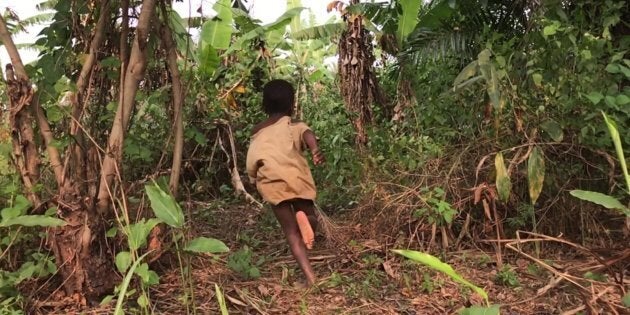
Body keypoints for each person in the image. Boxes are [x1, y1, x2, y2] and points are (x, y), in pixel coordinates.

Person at [246, 79, 324, 286]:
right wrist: (314, 150)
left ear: (264, 105)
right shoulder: (294, 125)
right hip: (297, 178)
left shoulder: (258, 131)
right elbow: (307, 134)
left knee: (291, 232)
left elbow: (252, 159)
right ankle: (310, 220)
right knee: (307, 214)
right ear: (292, 104)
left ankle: (310, 278)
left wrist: (253, 178)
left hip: (273, 183)